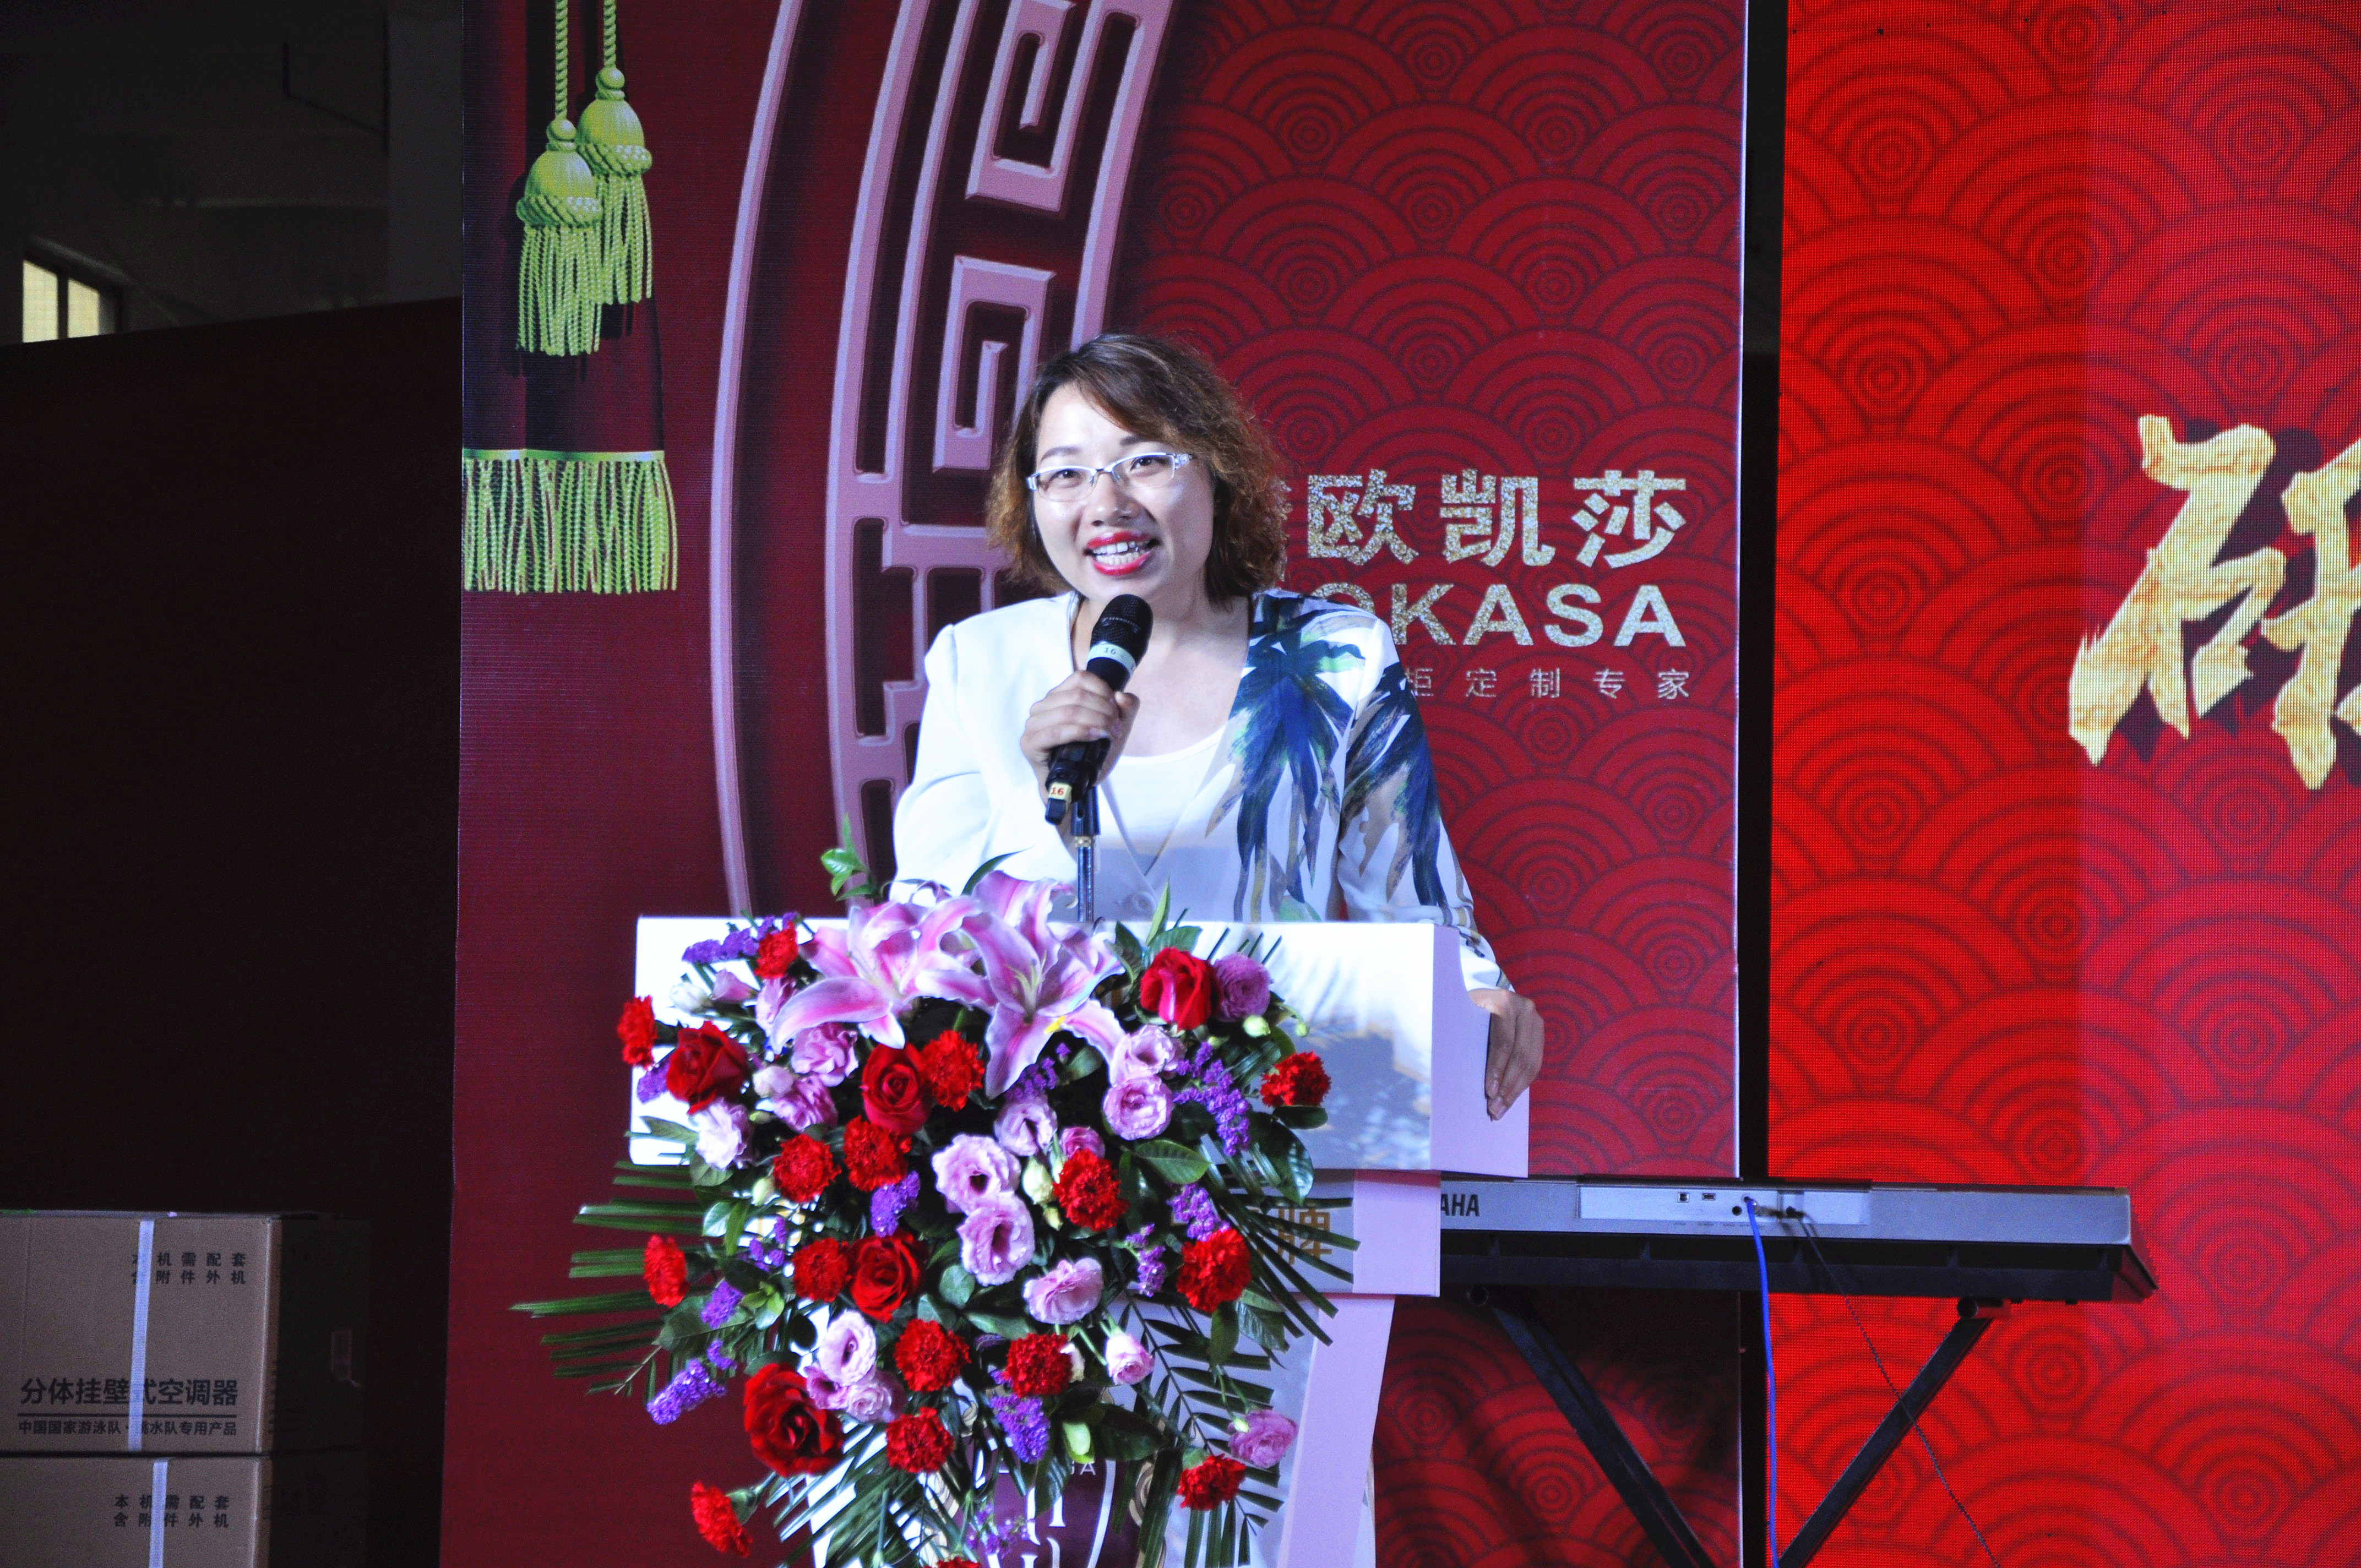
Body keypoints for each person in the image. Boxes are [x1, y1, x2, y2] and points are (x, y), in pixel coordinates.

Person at [893, 333, 1543, 1118]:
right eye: (1066, 474)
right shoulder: (978, 662)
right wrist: (1047, 805)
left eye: (1144, 461)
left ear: (1216, 471)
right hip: (1045, 1128)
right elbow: (926, 932)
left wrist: (1480, 998)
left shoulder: (1336, 657)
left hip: (1274, 1112)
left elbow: (1416, 902)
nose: (1108, 504)